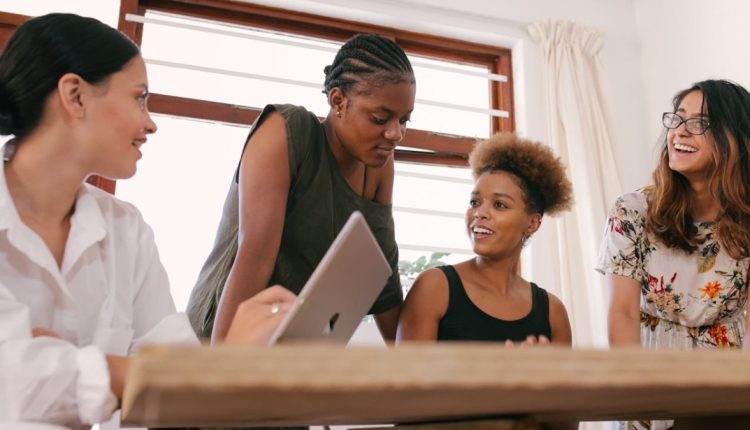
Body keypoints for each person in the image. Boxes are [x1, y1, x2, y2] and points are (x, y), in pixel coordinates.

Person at [0, 13, 295, 429]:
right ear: (75, 96)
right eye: (139, 98)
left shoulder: (126, 229)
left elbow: (175, 381)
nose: (150, 123)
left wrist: (69, 362)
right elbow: (15, 381)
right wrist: (131, 376)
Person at [187, 33, 415, 343]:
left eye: (404, 120)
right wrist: (225, 361)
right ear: (338, 101)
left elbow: (384, 280)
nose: (395, 133)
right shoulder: (285, 129)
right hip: (221, 336)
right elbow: (256, 256)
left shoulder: (379, 165)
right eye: (380, 118)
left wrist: (416, 361)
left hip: (295, 344)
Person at [598, 80, 750, 429]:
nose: (679, 131)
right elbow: (622, 312)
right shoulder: (632, 210)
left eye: (700, 123)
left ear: (735, 139)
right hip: (648, 371)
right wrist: (638, 395)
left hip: (728, 382)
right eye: (677, 119)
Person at [396, 133, 573, 346]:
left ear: (532, 223)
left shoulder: (553, 313)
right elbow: (404, 369)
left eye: (499, 205)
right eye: (475, 202)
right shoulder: (434, 288)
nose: (480, 213)